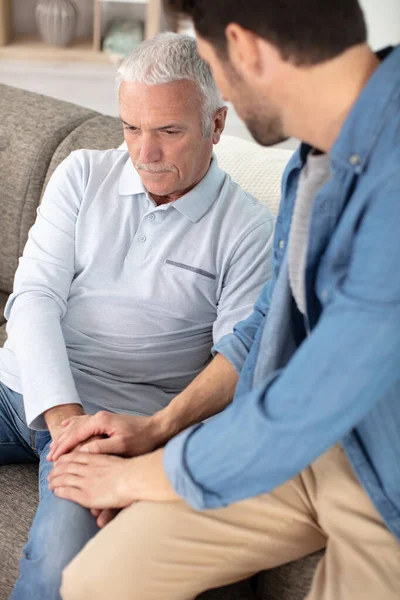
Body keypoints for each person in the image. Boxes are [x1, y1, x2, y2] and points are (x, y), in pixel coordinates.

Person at [52, 3, 400, 599]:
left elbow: (310, 398)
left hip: (380, 473)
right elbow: (268, 319)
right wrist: (160, 427)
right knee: (94, 580)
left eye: (211, 59)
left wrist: (141, 477)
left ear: (245, 47)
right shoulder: (321, 153)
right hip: (300, 454)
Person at [0, 32, 275, 600]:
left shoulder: (247, 230)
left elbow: (236, 361)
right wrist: (65, 424)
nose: (144, 153)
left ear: (216, 125)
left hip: (118, 427)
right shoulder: (82, 174)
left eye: (169, 132)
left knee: (63, 575)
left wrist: (115, 435)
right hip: (22, 391)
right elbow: (33, 298)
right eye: (131, 128)